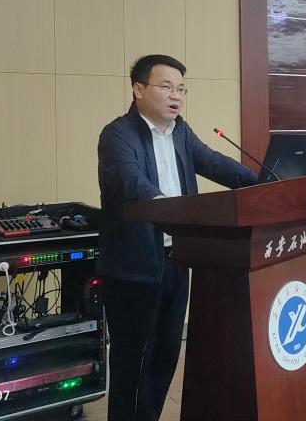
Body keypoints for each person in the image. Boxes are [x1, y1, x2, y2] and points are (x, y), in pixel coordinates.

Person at [97, 54, 256, 420]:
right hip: (133, 269)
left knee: (165, 357)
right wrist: (178, 212)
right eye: (166, 87)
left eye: (181, 89)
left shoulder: (180, 131)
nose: (176, 96)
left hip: (177, 260)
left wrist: (261, 184)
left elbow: (214, 163)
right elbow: (133, 183)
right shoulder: (117, 134)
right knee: (132, 362)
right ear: (138, 89)